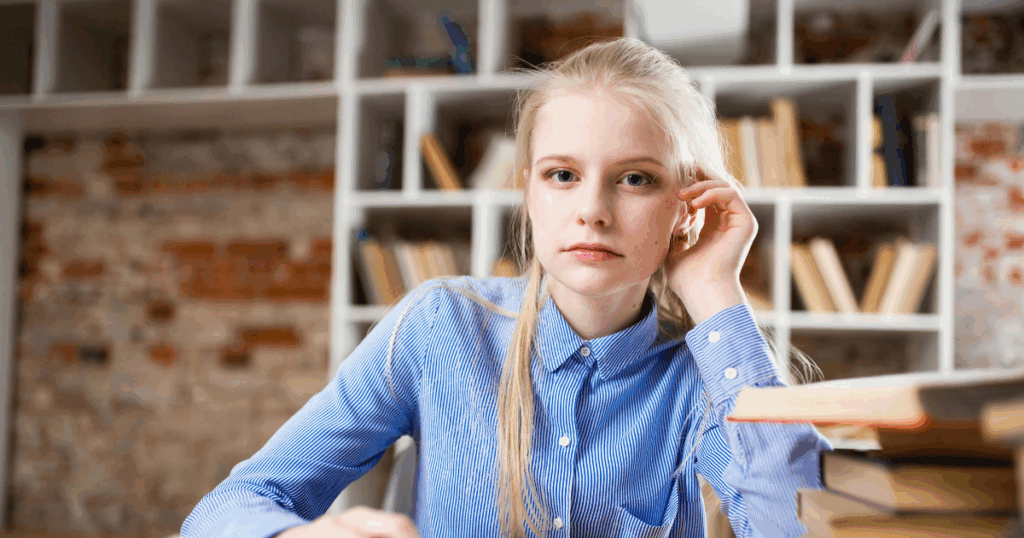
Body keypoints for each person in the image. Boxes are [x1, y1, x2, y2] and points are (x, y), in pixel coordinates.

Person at [179, 37, 833, 538]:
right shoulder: (441, 326)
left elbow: (802, 523)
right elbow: (226, 509)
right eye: (562, 175)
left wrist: (716, 289)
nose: (593, 211)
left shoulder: (699, 376)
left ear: (684, 203)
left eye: (636, 179)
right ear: (527, 189)